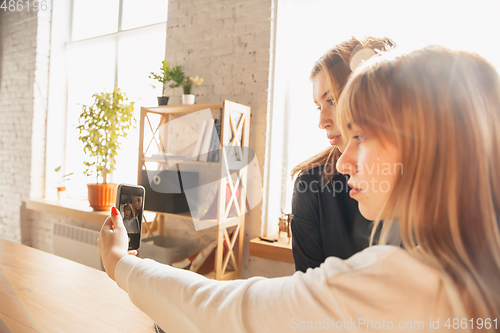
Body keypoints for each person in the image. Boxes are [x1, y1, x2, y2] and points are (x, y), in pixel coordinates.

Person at [98, 46, 500, 332]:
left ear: (421, 142)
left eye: (358, 134)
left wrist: (120, 262)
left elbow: (227, 314)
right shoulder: (474, 271)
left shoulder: (401, 281)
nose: (343, 160)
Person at [290, 37, 395, 272]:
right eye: (319, 106)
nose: (322, 122)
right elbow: (308, 292)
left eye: (332, 100)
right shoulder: (311, 186)